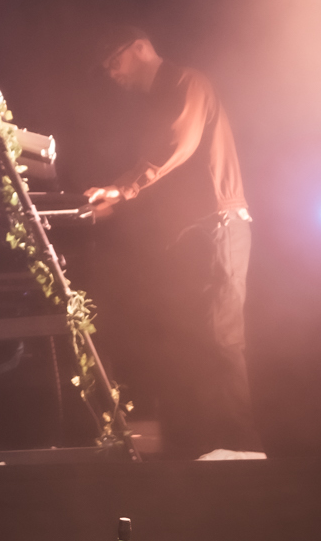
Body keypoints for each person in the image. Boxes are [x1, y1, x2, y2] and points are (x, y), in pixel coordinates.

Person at [84, 25, 263, 459]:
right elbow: (165, 170)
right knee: (187, 342)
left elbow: (177, 145)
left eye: (115, 61)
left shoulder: (188, 82)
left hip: (217, 226)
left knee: (219, 337)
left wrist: (123, 189)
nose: (112, 73)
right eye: (107, 68)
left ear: (141, 47)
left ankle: (238, 450)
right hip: (193, 233)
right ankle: (199, 447)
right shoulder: (158, 102)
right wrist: (116, 201)